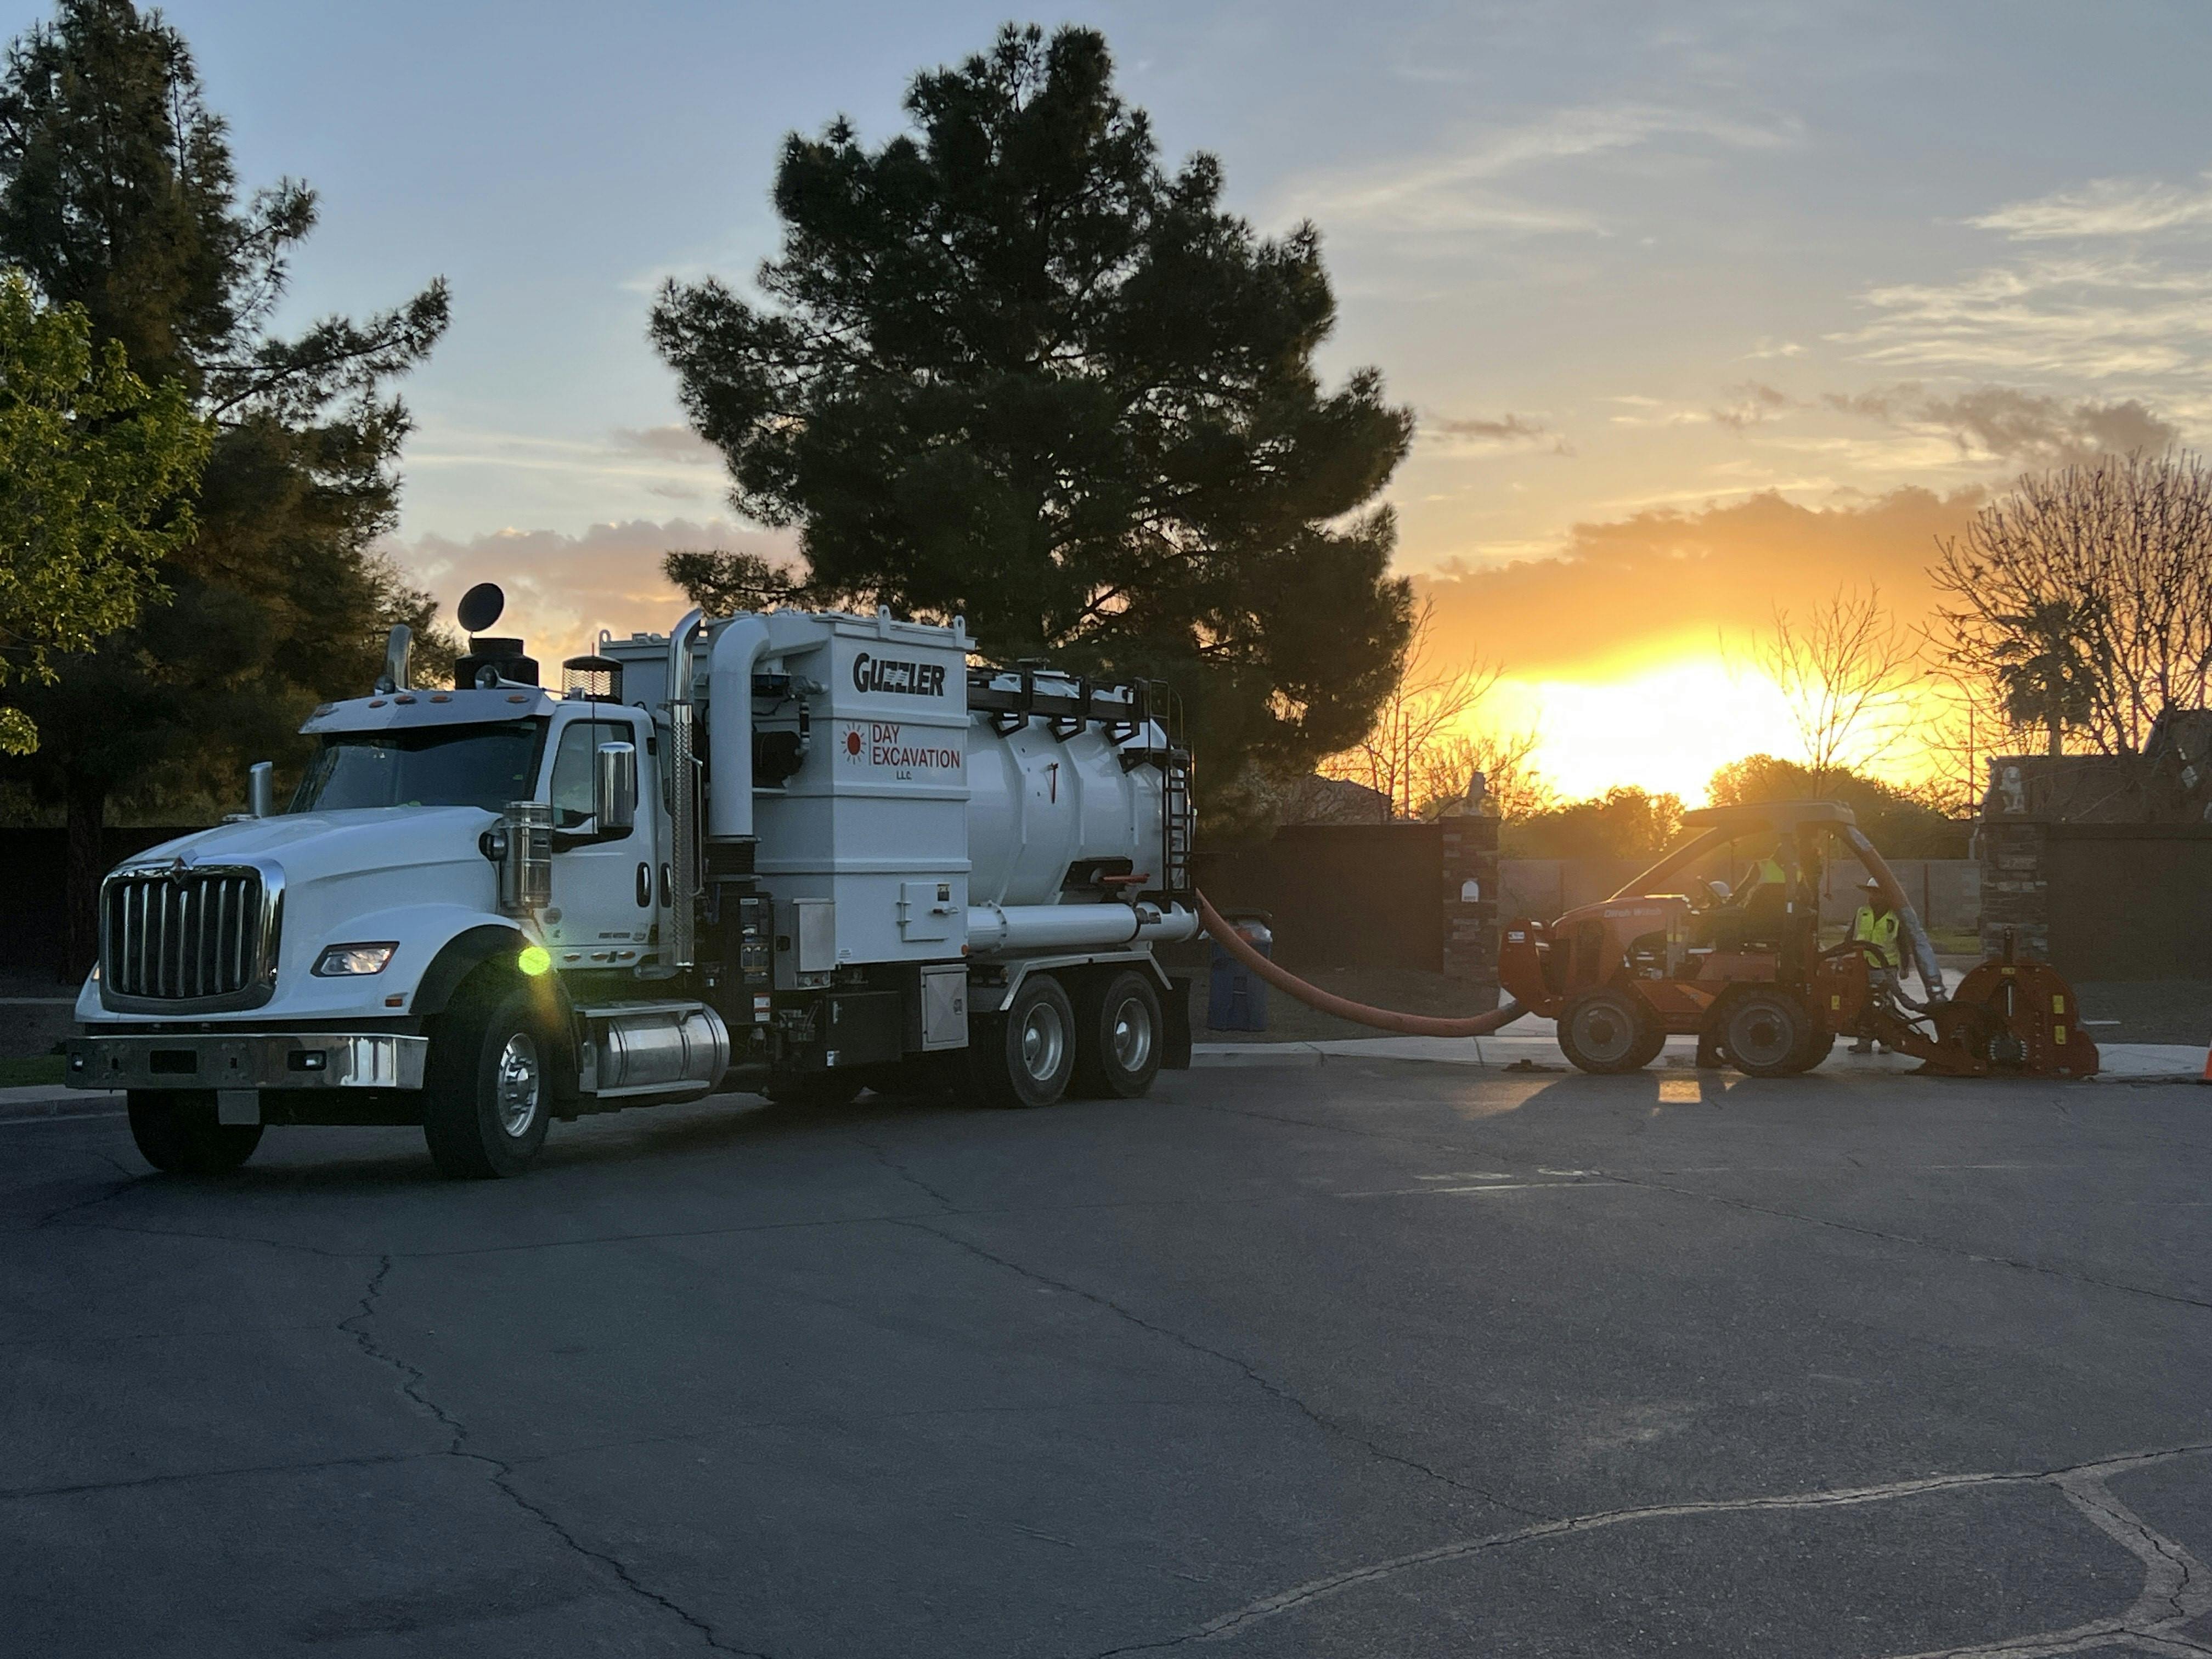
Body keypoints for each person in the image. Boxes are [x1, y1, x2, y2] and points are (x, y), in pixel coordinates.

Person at [1848, 876, 1903, 1053]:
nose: (1872, 897)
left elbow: (1903, 943)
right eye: (1871, 893)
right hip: (1862, 966)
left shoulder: (1895, 916)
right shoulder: (1862, 912)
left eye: (1877, 893)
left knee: (1885, 1005)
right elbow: (1850, 937)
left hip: (1885, 968)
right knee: (1863, 1004)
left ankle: (1887, 1042)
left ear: (1886, 895)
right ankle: (1864, 1041)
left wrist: (1905, 968)